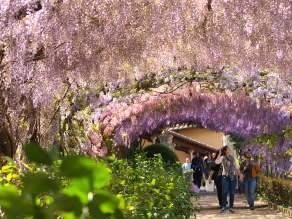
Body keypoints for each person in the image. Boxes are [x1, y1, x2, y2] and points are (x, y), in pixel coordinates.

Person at [215, 146, 243, 213]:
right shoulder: (223, 158)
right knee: (224, 191)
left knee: (232, 193)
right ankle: (223, 207)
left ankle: (231, 207)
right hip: (225, 176)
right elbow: (216, 162)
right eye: (228, 149)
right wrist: (219, 153)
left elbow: (237, 168)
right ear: (225, 151)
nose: (230, 149)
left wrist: (240, 176)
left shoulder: (233, 159)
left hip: (232, 176)